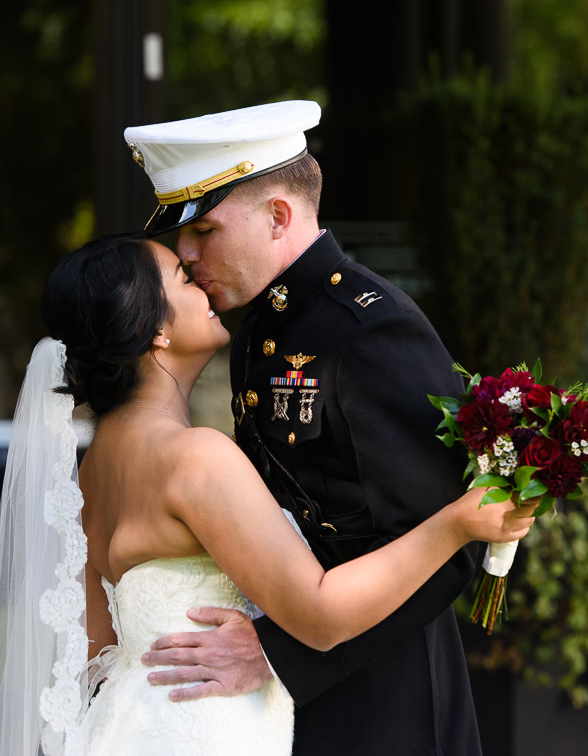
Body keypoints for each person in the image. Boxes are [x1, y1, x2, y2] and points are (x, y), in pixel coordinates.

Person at [0, 233, 535, 756]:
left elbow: (96, 645)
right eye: (182, 278)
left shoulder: (93, 473)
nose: (198, 273)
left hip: (128, 729)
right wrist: (457, 524)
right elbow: (319, 615)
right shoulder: (195, 458)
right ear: (154, 329)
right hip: (207, 730)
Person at [124, 100, 488, 755]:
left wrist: (280, 653)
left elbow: (454, 541)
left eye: (204, 230)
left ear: (279, 216)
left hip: (386, 704)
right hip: (281, 702)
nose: (184, 250)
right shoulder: (258, 330)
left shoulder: (371, 329)